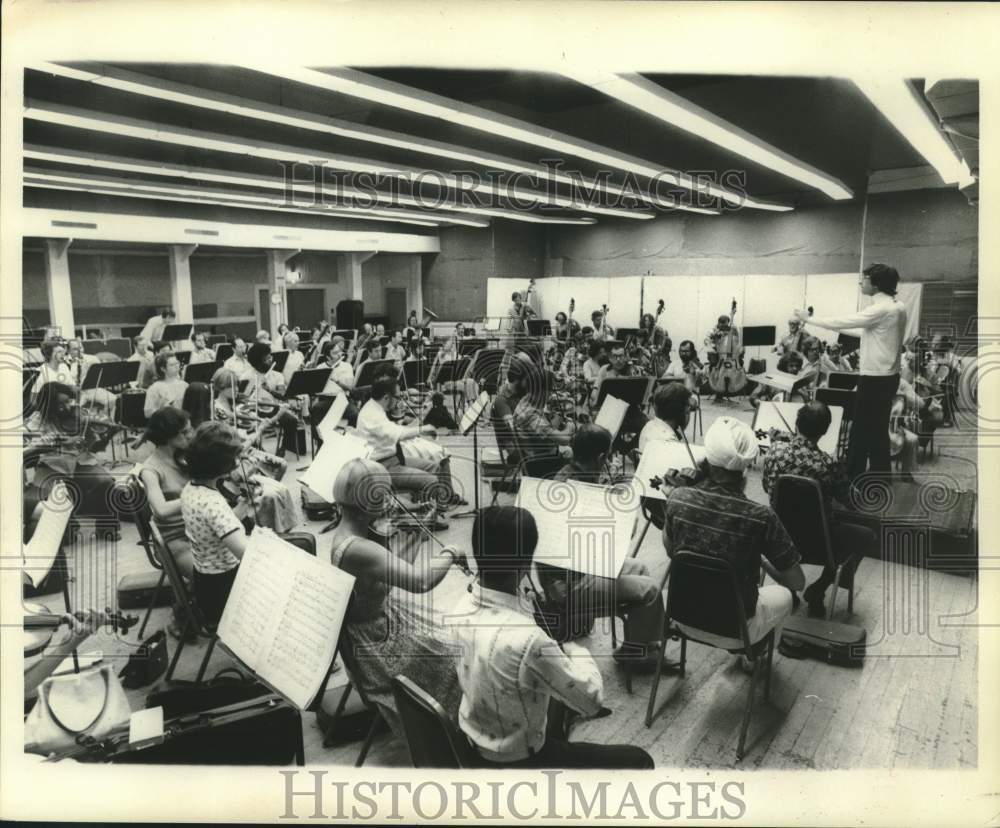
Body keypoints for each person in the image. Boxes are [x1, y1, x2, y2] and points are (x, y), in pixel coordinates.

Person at [450, 506, 654, 769]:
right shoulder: (529, 640)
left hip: (475, 743)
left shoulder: (458, 608)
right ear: (525, 565)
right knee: (640, 760)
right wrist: (577, 650)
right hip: (522, 760)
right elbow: (591, 702)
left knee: (552, 692)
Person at [325, 458, 469, 736]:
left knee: (452, 637)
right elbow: (420, 581)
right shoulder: (358, 548)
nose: (391, 501)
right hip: (373, 644)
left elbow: (394, 571)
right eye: (385, 494)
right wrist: (449, 553)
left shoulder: (352, 529)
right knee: (457, 658)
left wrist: (419, 531)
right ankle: (450, 731)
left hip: (382, 618)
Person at [661, 417, 804, 658]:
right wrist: (760, 560)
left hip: (680, 618)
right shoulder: (761, 517)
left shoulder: (677, 499)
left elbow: (670, 550)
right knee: (787, 596)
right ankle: (754, 658)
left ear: (707, 459)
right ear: (745, 469)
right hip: (738, 631)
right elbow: (797, 582)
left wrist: (675, 499)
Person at [796, 263, 907, 480]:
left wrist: (808, 319)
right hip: (887, 378)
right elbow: (858, 328)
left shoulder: (880, 309)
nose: (861, 282)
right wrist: (825, 325)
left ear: (875, 284)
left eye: (864, 278)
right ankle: (879, 476)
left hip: (875, 380)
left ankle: (853, 476)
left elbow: (845, 321)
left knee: (860, 431)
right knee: (876, 431)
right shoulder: (897, 307)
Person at [761, 401, 871, 617]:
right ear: (826, 430)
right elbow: (851, 501)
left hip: (779, 538)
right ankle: (819, 589)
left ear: (796, 423)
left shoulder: (774, 451)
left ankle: (788, 589)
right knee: (866, 535)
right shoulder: (828, 464)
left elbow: (767, 487)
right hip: (820, 543)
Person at [356, 375, 464, 519]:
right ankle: (428, 518)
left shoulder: (375, 407)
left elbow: (393, 429)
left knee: (435, 467)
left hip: (393, 459)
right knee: (430, 480)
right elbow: (398, 433)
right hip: (382, 467)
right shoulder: (372, 414)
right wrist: (422, 429)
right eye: (397, 397)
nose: (399, 401)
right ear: (387, 397)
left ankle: (437, 507)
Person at [24, 381, 121, 532]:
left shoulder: (79, 416)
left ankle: (106, 527)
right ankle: (67, 526)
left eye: (69, 401)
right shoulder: (37, 420)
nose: (68, 407)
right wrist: (47, 444)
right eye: (61, 404)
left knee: (104, 481)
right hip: (52, 466)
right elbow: (28, 451)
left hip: (81, 462)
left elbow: (96, 448)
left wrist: (107, 437)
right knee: (45, 503)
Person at [179, 422, 248, 626]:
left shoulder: (190, 490)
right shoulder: (214, 503)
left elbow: (216, 527)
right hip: (225, 590)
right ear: (221, 466)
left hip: (206, 584)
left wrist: (243, 508)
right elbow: (247, 556)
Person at [638, 383, 692, 453]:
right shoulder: (669, 441)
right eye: (687, 411)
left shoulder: (649, 425)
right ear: (680, 413)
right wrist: (683, 424)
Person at [143, 352, 189, 418]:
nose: (176, 366)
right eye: (172, 365)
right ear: (163, 369)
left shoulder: (184, 385)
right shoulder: (155, 388)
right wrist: (163, 409)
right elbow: (147, 414)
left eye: (177, 363)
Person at [660, 339, 705, 404]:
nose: (683, 353)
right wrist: (678, 378)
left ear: (691, 352)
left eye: (686, 351)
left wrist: (693, 372)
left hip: (691, 395)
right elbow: (664, 377)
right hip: (675, 395)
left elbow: (701, 380)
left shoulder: (697, 363)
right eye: (681, 351)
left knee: (685, 404)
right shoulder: (675, 363)